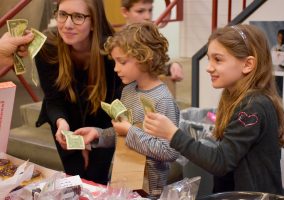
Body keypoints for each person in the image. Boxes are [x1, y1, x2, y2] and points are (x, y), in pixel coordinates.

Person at [143, 24, 284, 194]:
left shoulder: (253, 106)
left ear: (248, 64)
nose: (208, 67)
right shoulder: (237, 99)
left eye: (218, 59)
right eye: (209, 59)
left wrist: (172, 134)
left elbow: (221, 162)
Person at [75, 22, 180, 199]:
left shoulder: (163, 100)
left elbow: (169, 151)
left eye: (122, 62)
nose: (116, 68)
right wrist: (98, 134)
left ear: (145, 58)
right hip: (122, 180)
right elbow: (122, 135)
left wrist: (130, 131)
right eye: (115, 61)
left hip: (149, 190)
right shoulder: (128, 91)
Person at [35, 0, 122, 185]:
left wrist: (95, 139)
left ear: (94, 22)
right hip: (66, 116)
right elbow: (53, 98)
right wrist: (61, 122)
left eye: (78, 17)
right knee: (75, 178)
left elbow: (114, 107)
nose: (67, 24)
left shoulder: (112, 52)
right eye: (62, 14)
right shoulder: (47, 49)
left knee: (95, 177)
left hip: (103, 119)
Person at [121, 0, 184, 82]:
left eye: (150, 10)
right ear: (125, 12)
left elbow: (153, 68)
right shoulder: (118, 43)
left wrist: (171, 67)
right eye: (140, 11)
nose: (147, 16)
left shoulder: (149, 38)